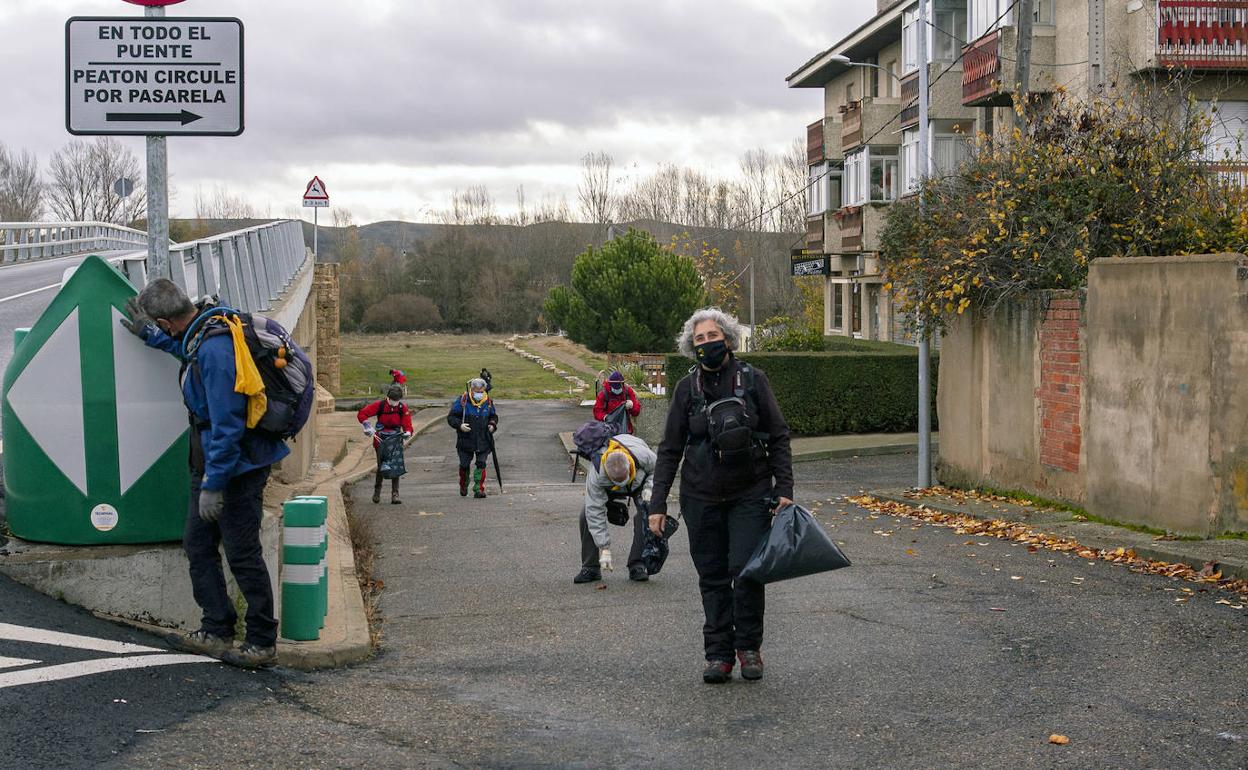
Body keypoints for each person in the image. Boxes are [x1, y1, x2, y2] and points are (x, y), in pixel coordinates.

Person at [121, 279, 287, 668]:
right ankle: (217, 628)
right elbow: (185, 351)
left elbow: (227, 425)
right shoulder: (204, 332)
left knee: (243, 553)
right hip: (214, 465)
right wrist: (151, 337)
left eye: (158, 327)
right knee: (198, 545)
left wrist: (214, 486)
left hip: (235, 470)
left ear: (166, 320)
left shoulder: (214, 350)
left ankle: (262, 641)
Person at [648, 307, 793, 685]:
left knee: (746, 572)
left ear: (727, 339)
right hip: (700, 497)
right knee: (712, 577)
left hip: (750, 494)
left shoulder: (753, 380)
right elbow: (669, 449)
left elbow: (778, 436)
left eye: (713, 336)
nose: (707, 343)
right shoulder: (686, 389)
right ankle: (718, 655)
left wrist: (785, 490)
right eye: (699, 339)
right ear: (691, 347)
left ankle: (748, 648)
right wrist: (657, 504)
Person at [574, 433, 657, 585]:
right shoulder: (597, 473)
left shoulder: (643, 455)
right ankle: (590, 568)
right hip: (608, 487)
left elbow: (658, 470)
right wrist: (604, 547)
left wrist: (649, 489)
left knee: (648, 512)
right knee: (585, 515)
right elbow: (594, 510)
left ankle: (637, 564)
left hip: (639, 483)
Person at [357, 384, 414, 504]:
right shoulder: (380, 405)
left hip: (396, 439)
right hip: (381, 439)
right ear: (388, 397)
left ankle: (395, 494)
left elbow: (407, 422)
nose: (395, 403)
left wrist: (408, 432)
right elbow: (362, 414)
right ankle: (377, 492)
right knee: (382, 466)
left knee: (396, 466)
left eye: (397, 401)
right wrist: (367, 426)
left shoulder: (401, 407)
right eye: (393, 400)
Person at [447, 377, 498, 498]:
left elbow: (494, 416)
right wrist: (460, 425)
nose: (479, 394)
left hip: (483, 439)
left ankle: (478, 489)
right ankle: (463, 484)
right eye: (477, 391)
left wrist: (492, 425)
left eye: (481, 391)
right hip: (465, 439)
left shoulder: (488, 402)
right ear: (472, 389)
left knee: (481, 463)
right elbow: (452, 417)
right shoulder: (463, 401)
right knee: (464, 465)